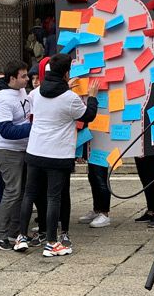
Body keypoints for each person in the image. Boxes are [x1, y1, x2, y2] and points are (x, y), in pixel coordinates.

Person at [17, 53, 98, 257]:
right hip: (57, 154)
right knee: (54, 197)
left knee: (29, 194)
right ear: (67, 73)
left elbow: (48, 102)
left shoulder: (35, 93)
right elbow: (88, 115)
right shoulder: (70, 98)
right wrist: (93, 97)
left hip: (35, 151)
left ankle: (21, 237)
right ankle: (52, 243)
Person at [0, 61, 33, 251]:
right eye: (23, 76)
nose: (27, 79)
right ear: (12, 78)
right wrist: (35, 128)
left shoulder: (22, 91)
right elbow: (6, 130)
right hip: (7, 150)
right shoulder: (1, 99)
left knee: (21, 191)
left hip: (23, 148)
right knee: (13, 190)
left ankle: (15, 232)